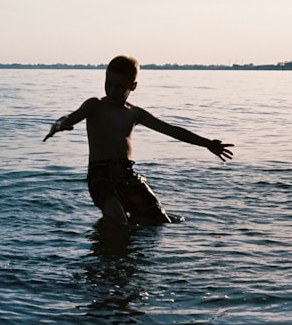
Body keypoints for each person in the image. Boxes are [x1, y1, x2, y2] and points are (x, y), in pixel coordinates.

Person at [44, 55, 233, 224]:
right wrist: (58, 126)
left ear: (133, 86)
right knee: (119, 223)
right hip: (100, 177)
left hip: (127, 175)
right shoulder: (95, 105)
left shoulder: (135, 113)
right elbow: (69, 118)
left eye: (119, 87)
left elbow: (172, 130)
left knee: (160, 220)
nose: (112, 90)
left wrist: (207, 143)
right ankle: (106, 254)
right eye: (108, 84)